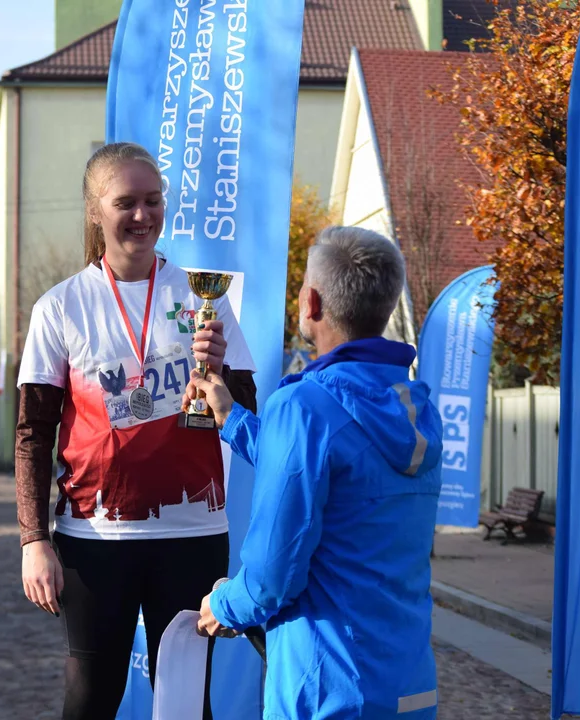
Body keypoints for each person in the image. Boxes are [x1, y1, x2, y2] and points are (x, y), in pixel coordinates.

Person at [15, 141, 258, 720]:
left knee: (185, 703)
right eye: (126, 202)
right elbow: (32, 433)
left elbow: (247, 411)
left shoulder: (204, 297)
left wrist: (219, 371)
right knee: (91, 700)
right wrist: (33, 540)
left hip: (194, 533)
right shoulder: (61, 306)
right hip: (94, 540)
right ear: (96, 212)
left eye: (153, 200)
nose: (143, 215)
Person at [187, 226, 443, 719]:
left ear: (311, 302)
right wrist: (232, 419)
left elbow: (270, 575)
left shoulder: (303, 407)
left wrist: (224, 606)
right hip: (408, 686)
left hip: (328, 687)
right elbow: (333, 477)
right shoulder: (416, 408)